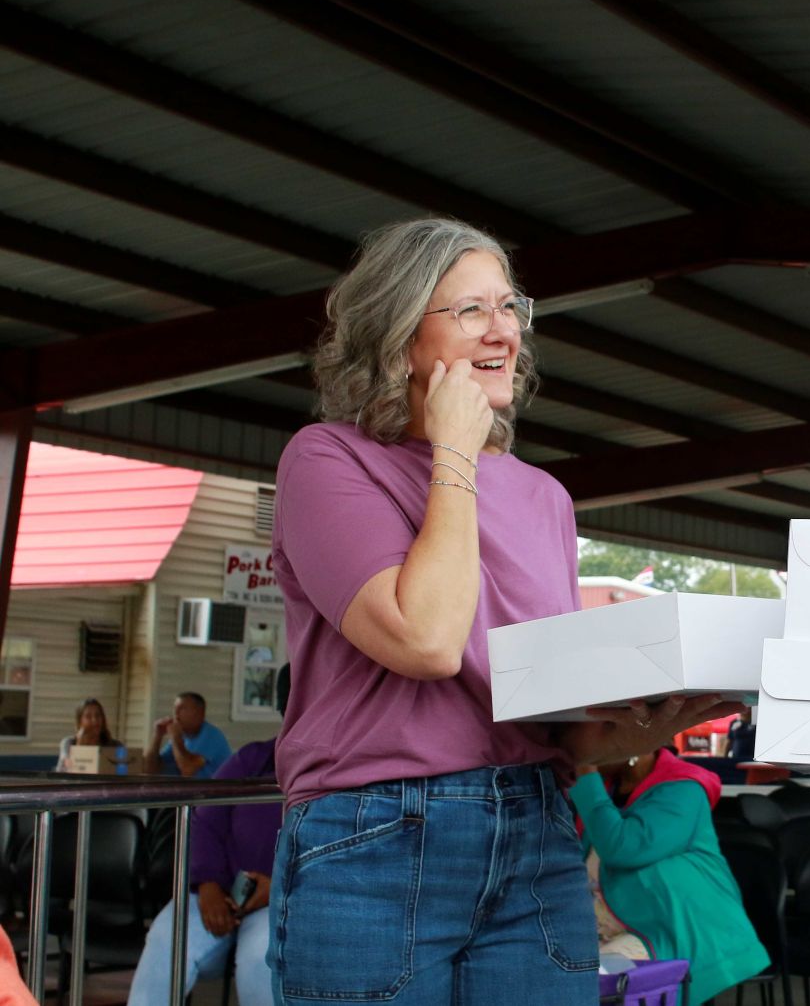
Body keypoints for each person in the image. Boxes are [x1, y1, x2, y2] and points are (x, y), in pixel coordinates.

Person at [268, 217, 732, 1005]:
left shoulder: (546, 497)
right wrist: (454, 451)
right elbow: (428, 639)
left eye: (510, 306)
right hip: (375, 833)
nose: (504, 329)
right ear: (399, 338)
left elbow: (549, 718)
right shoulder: (328, 457)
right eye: (472, 309)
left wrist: (645, 725)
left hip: (535, 827)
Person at [127, 667, 291, 1006]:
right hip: (221, 891)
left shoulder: (340, 772)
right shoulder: (253, 759)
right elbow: (206, 820)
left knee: (260, 958)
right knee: (166, 940)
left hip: (286, 900)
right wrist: (208, 885)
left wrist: (279, 885)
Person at [570, 746, 767, 1004]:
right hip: (614, 928)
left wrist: (586, 775)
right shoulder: (608, 789)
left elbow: (624, 847)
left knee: (583, 983)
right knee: (552, 973)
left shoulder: (684, 789)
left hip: (673, 931)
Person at [142, 691, 231, 778]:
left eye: (182, 709)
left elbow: (188, 770)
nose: (176, 714)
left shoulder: (211, 736)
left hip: (211, 788)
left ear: (200, 713)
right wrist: (157, 736)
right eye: (174, 708)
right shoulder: (182, 736)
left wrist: (176, 737)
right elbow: (149, 770)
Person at [54, 697, 122, 771]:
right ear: (80, 722)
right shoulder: (68, 743)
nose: (94, 720)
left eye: (98, 715)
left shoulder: (116, 746)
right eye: (88, 717)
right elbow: (62, 771)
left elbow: (124, 771)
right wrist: (79, 747)